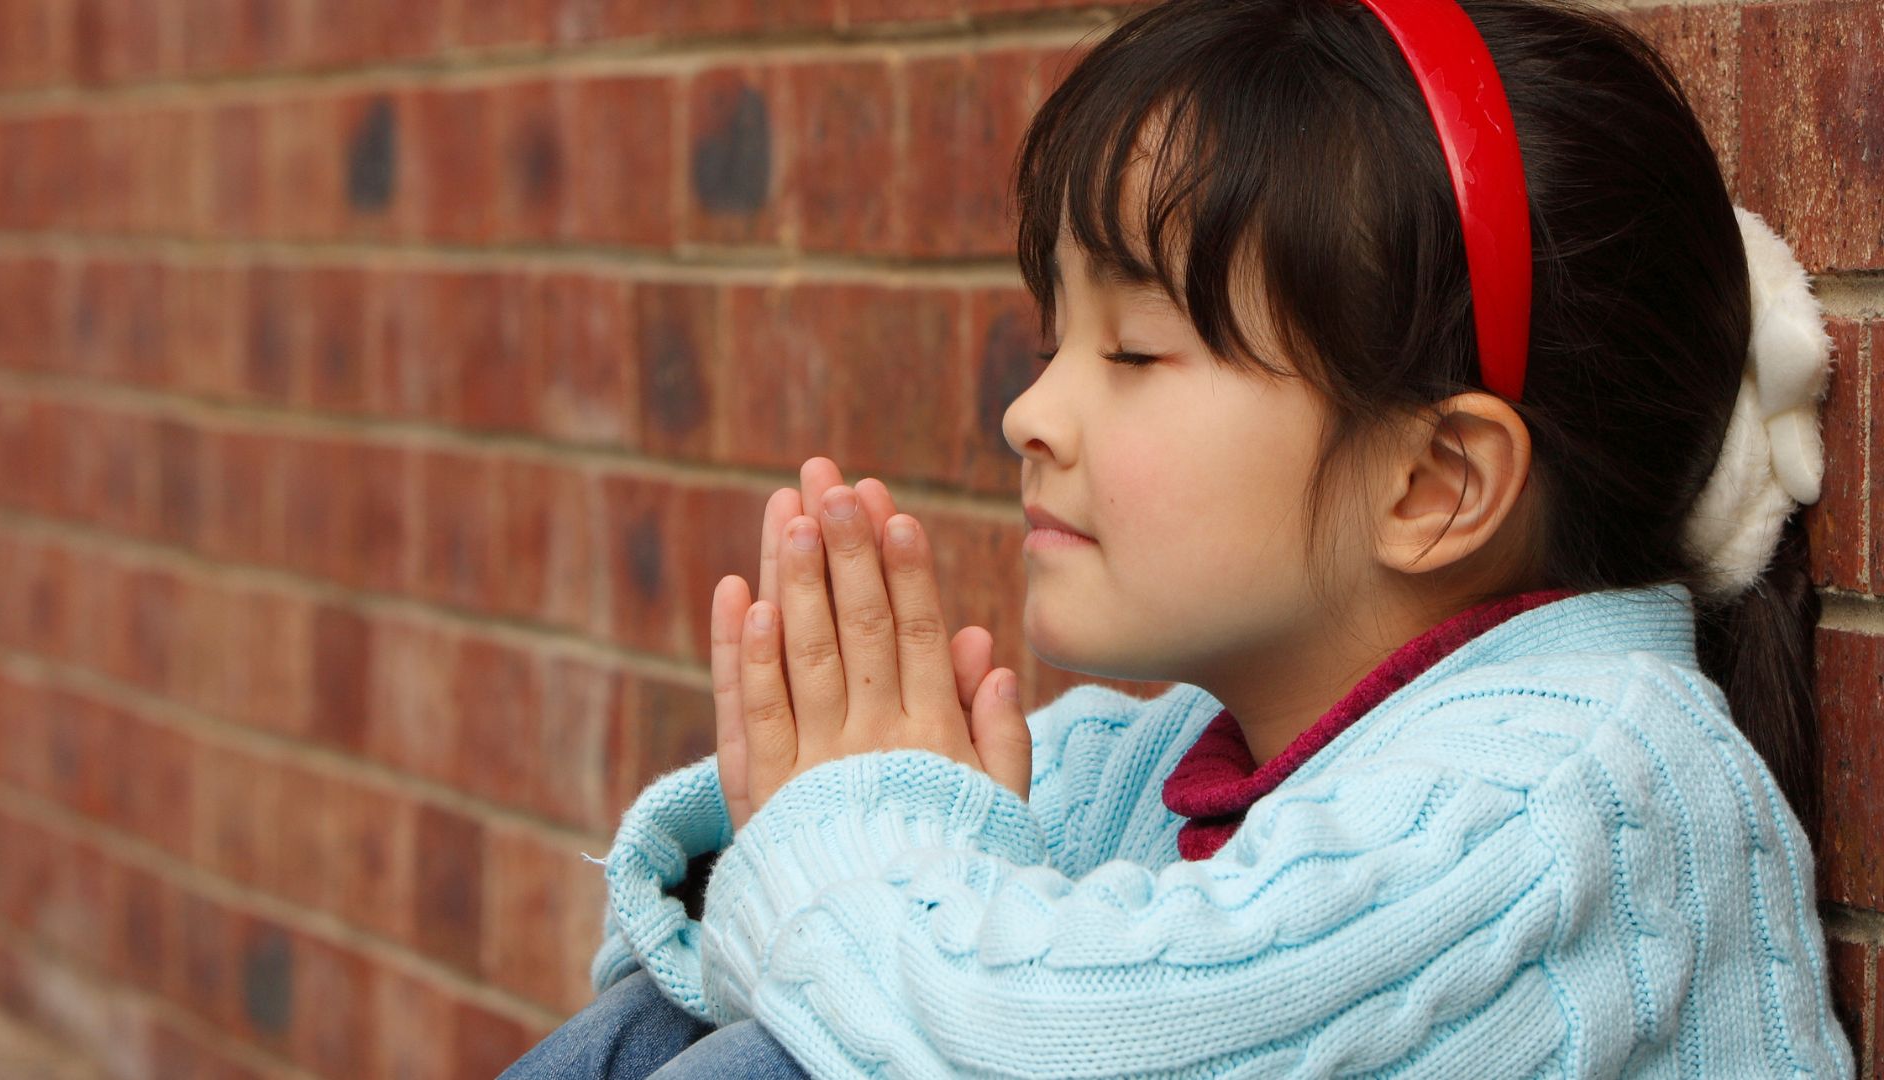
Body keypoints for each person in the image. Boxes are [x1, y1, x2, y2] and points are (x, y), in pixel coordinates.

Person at [501, 0, 1858, 1074]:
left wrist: (847, 830)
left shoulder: (1573, 794)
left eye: (1136, 351)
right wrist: (802, 803)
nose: (1030, 413)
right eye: (1056, 337)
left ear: (1432, 483)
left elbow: (1031, 1050)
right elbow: (766, 940)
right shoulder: (1155, 763)